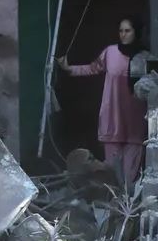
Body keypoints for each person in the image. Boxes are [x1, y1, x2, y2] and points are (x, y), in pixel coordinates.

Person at [55, 19, 147, 186]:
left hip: (134, 118)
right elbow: (93, 68)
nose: (123, 34)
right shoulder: (110, 52)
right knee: (110, 173)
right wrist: (70, 69)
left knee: (128, 176)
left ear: (136, 32)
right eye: (121, 31)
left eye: (128, 31)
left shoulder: (145, 56)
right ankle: (111, 206)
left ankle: (126, 206)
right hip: (112, 116)